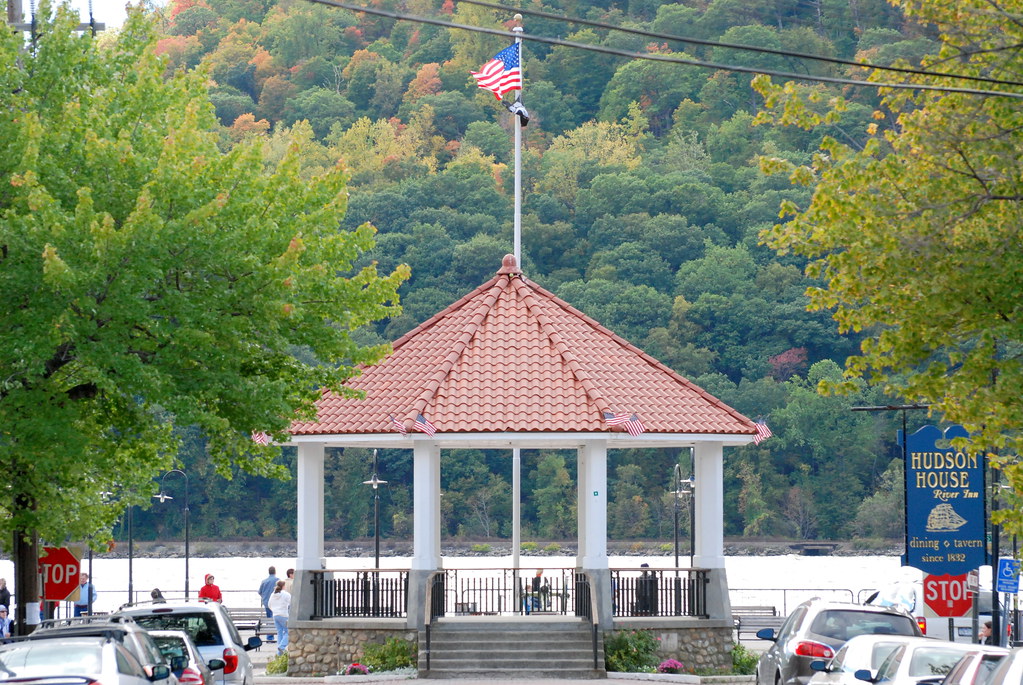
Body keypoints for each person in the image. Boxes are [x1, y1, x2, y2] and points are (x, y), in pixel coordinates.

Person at [267, 579, 291, 655]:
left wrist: (275, 610)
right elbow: (292, 603)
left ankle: (279, 653)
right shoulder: (286, 594)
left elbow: (269, 605)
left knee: (279, 632)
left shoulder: (273, 594)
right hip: (284, 615)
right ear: (283, 586)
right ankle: (281, 646)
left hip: (275, 615)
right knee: (288, 632)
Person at [258, 566, 280, 642]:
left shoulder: (264, 581)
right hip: (275, 603)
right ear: (275, 572)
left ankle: (269, 636)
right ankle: (270, 636)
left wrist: (264, 597)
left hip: (266, 603)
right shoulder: (277, 581)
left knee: (269, 618)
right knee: (273, 619)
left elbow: (259, 592)